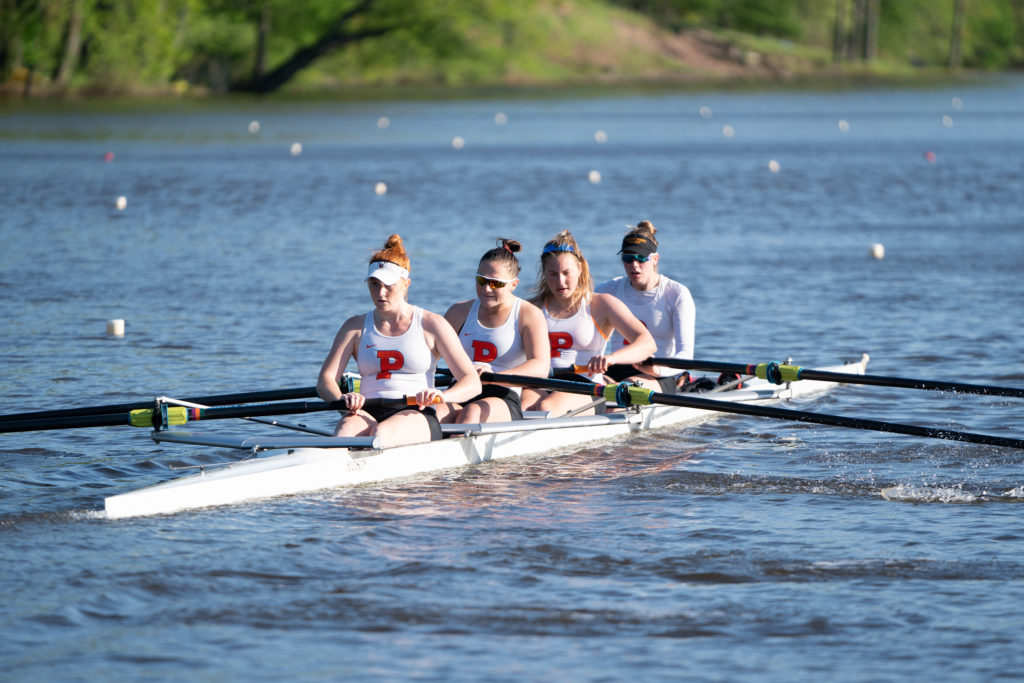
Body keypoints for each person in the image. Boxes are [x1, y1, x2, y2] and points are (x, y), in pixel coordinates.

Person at [317, 234, 481, 448]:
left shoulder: (432, 324)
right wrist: (342, 399)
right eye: (374, 284)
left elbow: (472, 382)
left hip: (416, 412)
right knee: (344, 433)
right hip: (366, 410)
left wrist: (441, 396)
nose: (380, 292)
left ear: (406, 284)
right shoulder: (354, 327)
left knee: (380, 435)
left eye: (388, 285)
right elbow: (325, 381)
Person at [521, 230, 656, 416]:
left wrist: (611, 358)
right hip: (540, 382)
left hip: (587, 386)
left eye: (566, 273)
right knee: (521, 408)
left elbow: (647, 343)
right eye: (552, 274)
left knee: (546, 408)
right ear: (544, 273)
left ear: (580, 269)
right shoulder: (530, 308)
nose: (561, 281)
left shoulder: (600, 304)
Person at [439, 238, 550, 424]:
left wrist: (495, 377)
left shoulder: (528, 314)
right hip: (462, 388)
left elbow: (541, 367)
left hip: (504, 394)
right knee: (435, 411)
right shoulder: (458, 312)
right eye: (481, 280)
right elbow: (428, 356)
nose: (487, 288)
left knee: (472, 413)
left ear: (514, 284)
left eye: (496, 283)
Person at [595, 220, 696, 393]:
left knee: (623, 390)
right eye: (628, 258)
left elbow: (685, 355)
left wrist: (657, 370)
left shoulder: (676, 294)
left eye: (641, 258)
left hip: (660, 373)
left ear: (655, 259)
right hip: (615, 369)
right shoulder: (607, 290)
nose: (634, 265)